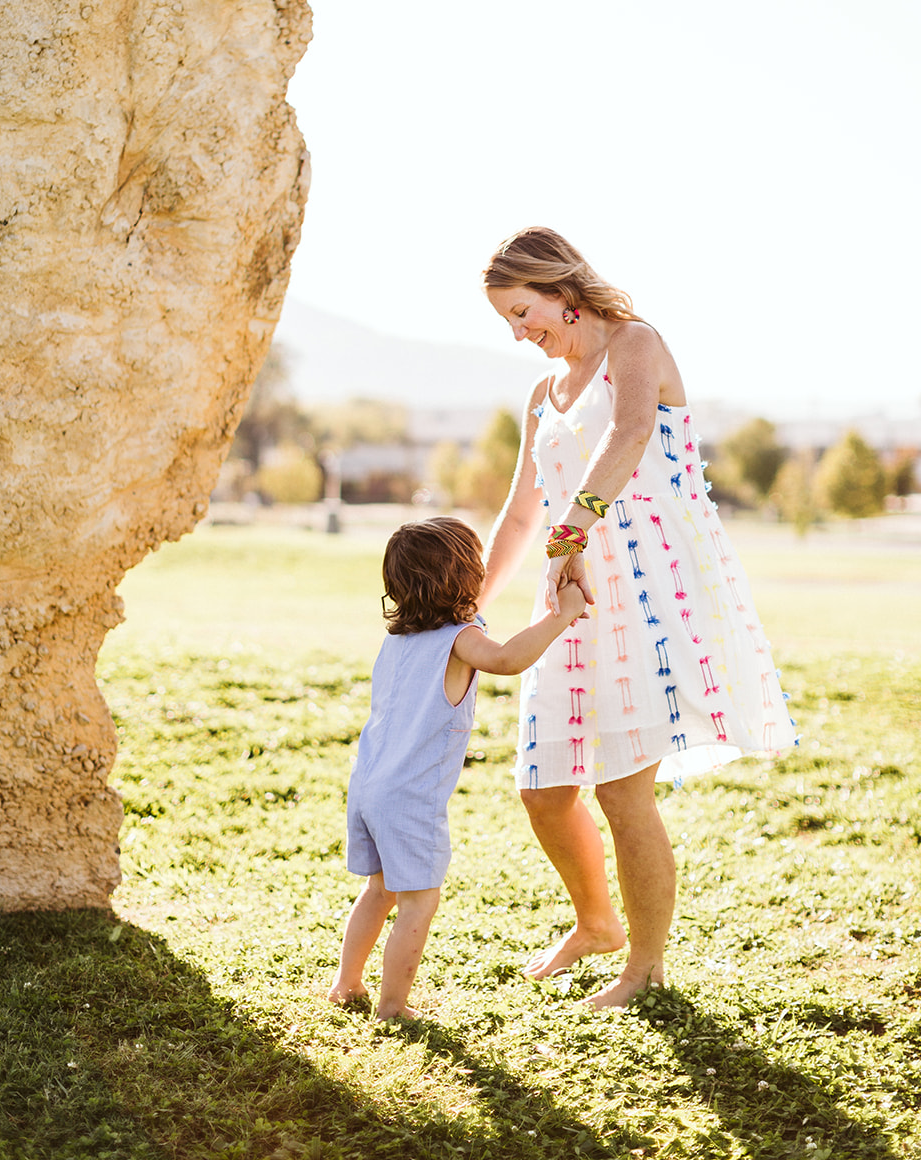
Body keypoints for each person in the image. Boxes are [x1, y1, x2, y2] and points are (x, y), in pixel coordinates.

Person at [480, 226, 797, 1010]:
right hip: (569, 591)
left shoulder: (634, 342)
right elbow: (522, 513)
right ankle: (597, 925)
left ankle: (644, 969)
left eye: (525, 312)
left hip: (653, 590)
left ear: (562, 289)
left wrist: (572, 528)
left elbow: (627, 435)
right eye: (508, 323)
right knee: (544, 788)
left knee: (623, 793)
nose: (521, 334)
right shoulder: (541, 393)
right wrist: (467, 606)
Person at [328, 515, 586, 1020]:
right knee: (418, 903)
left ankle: (347, 983)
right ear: (464, 578)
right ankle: (392, 1006)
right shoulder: (460, 638)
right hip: (409, 798)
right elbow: (510, 658)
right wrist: (562, 616)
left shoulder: (398, 641)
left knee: (379, 889)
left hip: (370, 785)